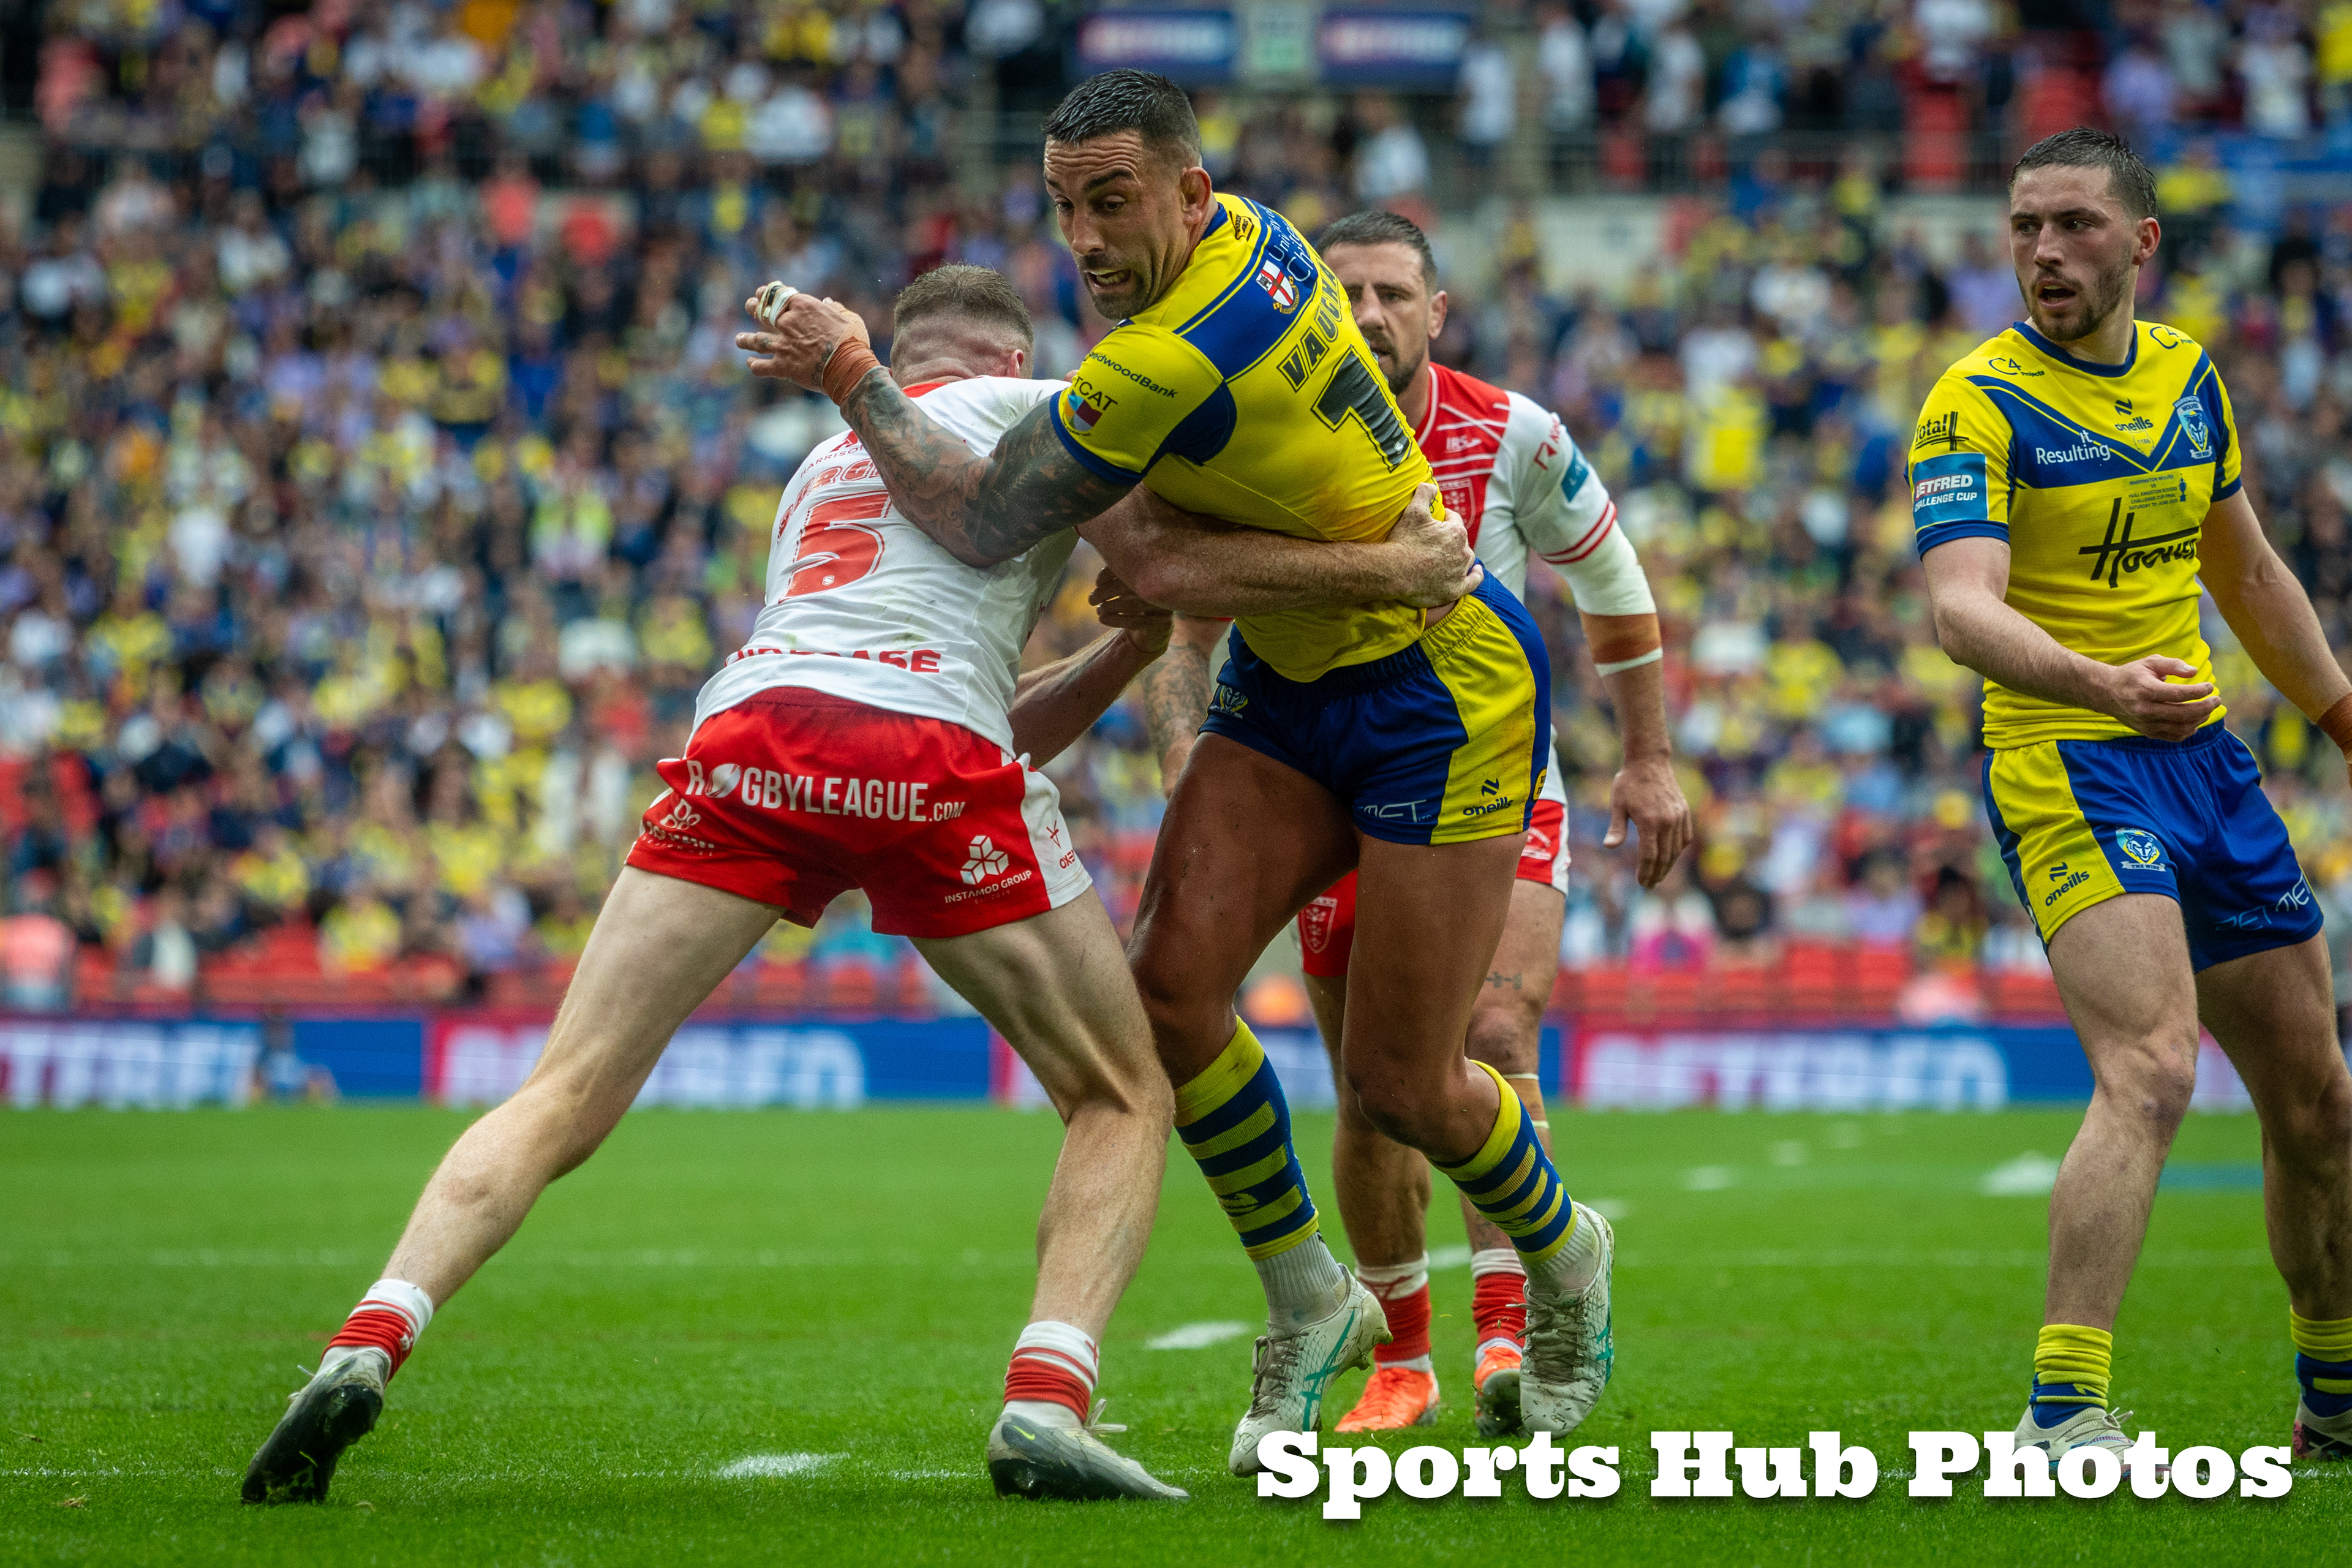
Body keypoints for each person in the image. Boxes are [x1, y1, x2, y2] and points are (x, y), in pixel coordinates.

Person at [241, 265, 1475, 1507]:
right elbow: (1160, 566)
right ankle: (1047, 1402)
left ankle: (369, 1337)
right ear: (1014, 358)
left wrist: (1119, 652)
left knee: (564, 1088)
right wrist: (1393, 566)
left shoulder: (822, 465)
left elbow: (965, 694)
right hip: (926, 750)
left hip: (755, 732)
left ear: (905, 346)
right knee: (1121, 1089)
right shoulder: (1042, 410)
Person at [742, 70, 1618, 1473]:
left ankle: (1566, 1245)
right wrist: (1316, 578)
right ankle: (1311, 1294)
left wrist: (854, 371)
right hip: (1293, 677)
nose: (1086, 239)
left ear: (1188, 192)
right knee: (1166, 996)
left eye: (1113, 201)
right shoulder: (1252, 236)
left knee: (1404, 1083)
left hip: (1443, 688)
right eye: (1064, 206)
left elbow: (1003, 523)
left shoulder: (1166, 353)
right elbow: (1169, 543)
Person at [1138, 209, 1694, 1436]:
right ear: (1305, 306)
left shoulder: (1512, 432)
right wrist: (1188, 757)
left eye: (1394, 293)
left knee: (1487, 1030)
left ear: (1438, 311)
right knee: (1370, 1081)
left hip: (1477, 746)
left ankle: (1515, 1314)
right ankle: (1394, 1348)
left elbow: (1611, 583)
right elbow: (1182, 631)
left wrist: (1650, 759)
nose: (1370, 314)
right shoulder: (1255, 412)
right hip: (1303, 739)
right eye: (1345, 292)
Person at [1914, 128, 2352, 1464]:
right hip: (2069, 752)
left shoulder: (2188, 376)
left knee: (2319, 1098)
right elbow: (1959, 609)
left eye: (2076, 225)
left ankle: (2336, 1399)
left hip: (2203, 758)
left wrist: (2342, 716)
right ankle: (2063, 1412)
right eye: (2026, 227)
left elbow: (2250, 573)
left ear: (2143, 241)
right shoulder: (1977, 403)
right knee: (2154, 1066)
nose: (2045, 251)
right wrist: (2101, 683)